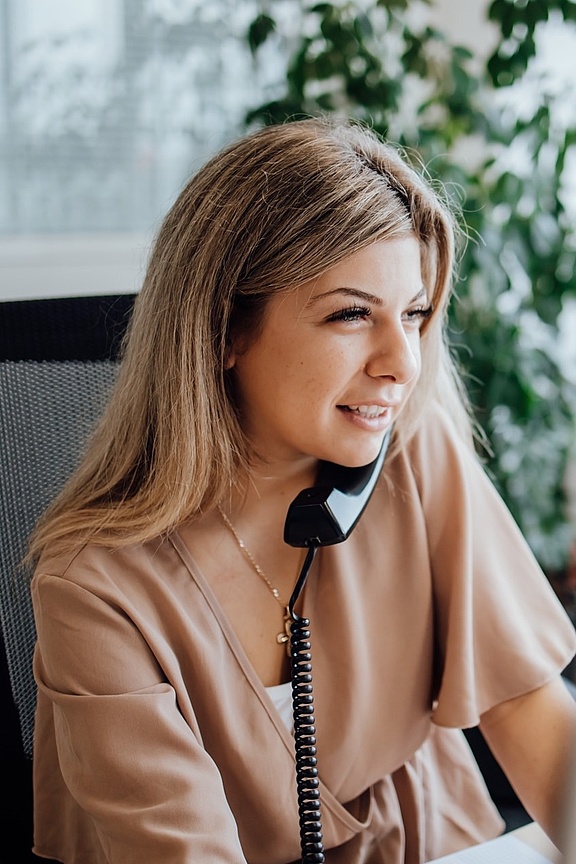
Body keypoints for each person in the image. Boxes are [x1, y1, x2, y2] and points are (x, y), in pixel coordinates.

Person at [29, 117, 576, 864]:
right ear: (224, 329)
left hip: (436, 838)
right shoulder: (94, 588)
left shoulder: (414, 455)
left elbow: (524, 704)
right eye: (352, 314)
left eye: (413, 315)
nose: (402, 364)